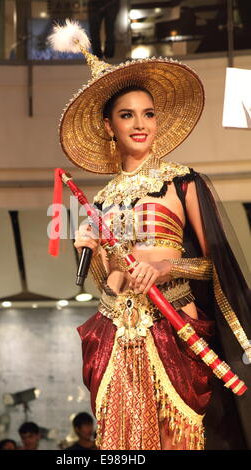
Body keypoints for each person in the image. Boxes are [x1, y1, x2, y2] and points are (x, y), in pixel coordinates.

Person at [49, 20, 251, 450]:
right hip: (115, 334)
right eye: (126, 115)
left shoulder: (182, 182)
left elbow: (215, 264)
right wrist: (86, 250)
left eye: (148, 113)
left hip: (175, 328)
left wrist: (166, 266)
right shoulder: (99, 203)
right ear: (108, 126)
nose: (140, 124)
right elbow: (110, 282)